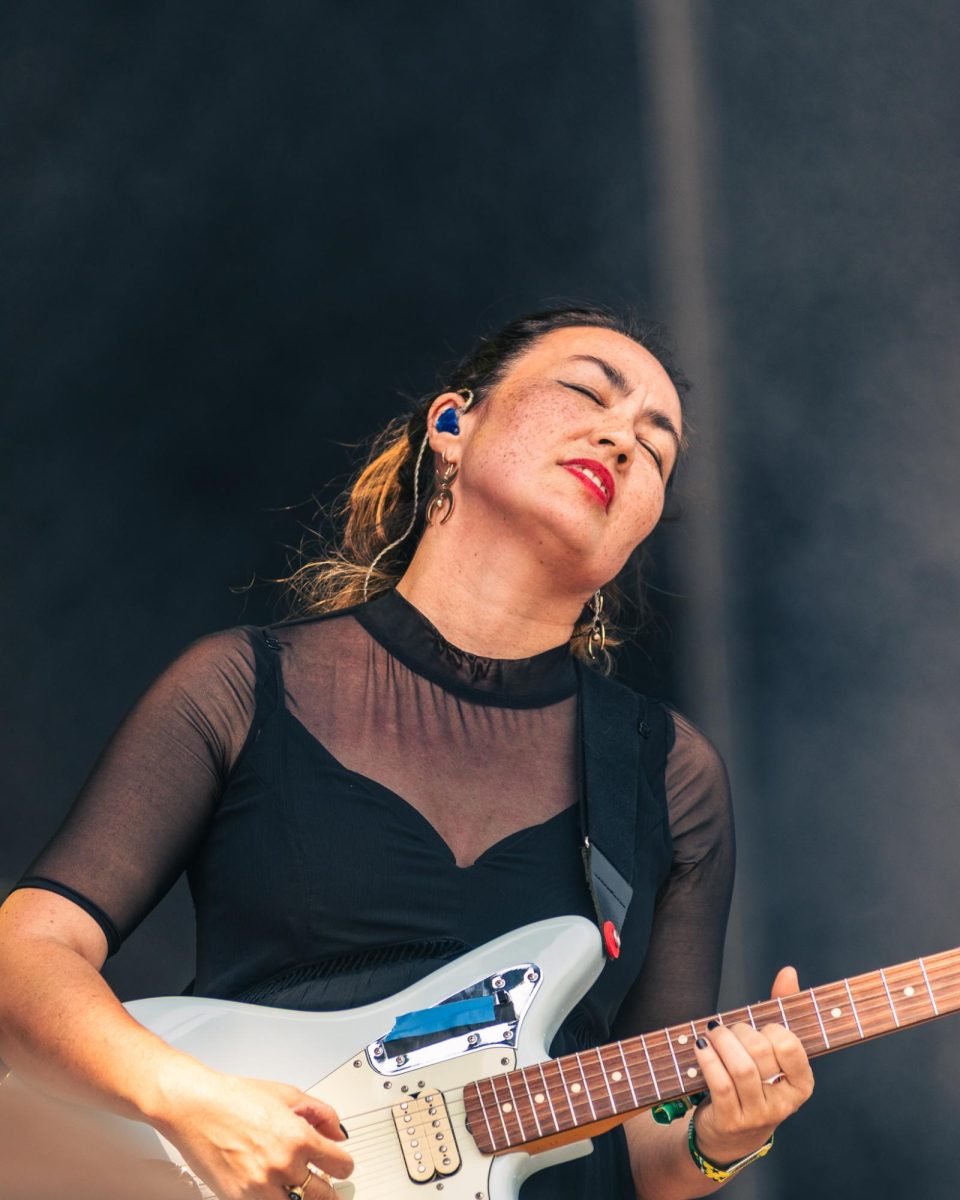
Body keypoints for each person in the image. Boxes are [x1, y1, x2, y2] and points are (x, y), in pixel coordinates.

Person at [0, 304, 814, 1200]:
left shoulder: (668, 772)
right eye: (588, 393)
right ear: (453, 424)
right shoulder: (241, 685)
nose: (623, 441)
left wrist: (720, 1139)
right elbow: (26, 954)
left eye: (657, 451)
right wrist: (188, 1100)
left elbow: (645, 1141)